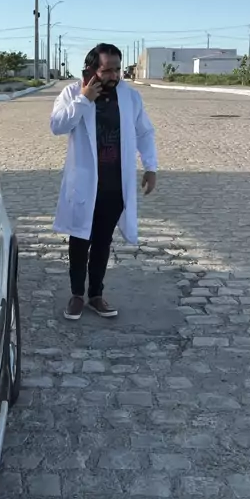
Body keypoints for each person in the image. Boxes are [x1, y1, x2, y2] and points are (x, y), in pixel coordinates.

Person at [50, 43, 157, 320]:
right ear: (91, 69)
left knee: (102, 241)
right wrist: (84, 99)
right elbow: (57, 125)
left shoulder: (130, 97)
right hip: (85, 184)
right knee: (79, 239)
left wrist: (151, 167)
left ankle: (96, 295)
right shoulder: (72, 93)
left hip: (114, 184)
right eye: (107, 70)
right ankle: (76, 295)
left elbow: (144, 132)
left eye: (117, 69)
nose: (114, 76)